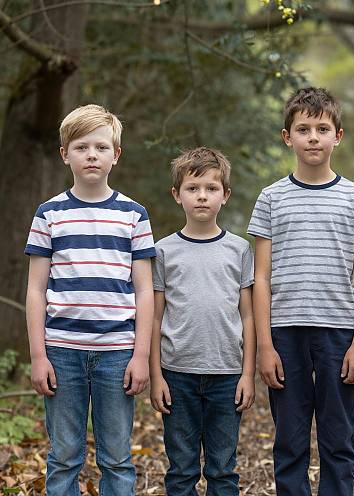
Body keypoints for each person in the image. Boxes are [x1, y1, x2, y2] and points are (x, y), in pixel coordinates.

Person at [247, 87, 354, 495]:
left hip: (338, 334)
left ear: (338, 135)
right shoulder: (271, 198)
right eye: (303, 129)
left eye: (323, 128)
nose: (313, 137)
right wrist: (265, 346)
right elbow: (261, 277)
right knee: (289, 440)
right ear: (288, 137)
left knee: (338, 440)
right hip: (285, 334)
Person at [25, 104, 156, 495]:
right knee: (64, 454)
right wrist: (38, 355)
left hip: (117, 352)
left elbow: (145, 290)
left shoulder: (134, 215)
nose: (92, 155)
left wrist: (141, 354)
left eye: (101, 147)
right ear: (65, 154)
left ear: (116, 155)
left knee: (116, 457)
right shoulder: (49, 214)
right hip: (61, 350)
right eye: (82, 147)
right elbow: (34, 289)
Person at [150, 147, 256, 496]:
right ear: (176, 194)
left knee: (223, 469)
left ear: (225, 195)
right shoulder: (163, 251)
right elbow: (155, 316)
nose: (202, 196)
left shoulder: (239, 249)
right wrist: (156, 376)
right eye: (193, 188)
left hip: (226, 374)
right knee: (181, 469)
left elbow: (248, 314)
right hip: (177, 373)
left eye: (211, 188)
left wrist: (247, 374)